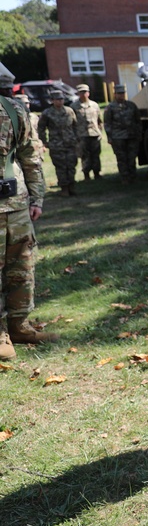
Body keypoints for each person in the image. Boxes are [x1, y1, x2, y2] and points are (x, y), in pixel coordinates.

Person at [0, 75, 48, 360]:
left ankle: (19, 325)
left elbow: (30, 154)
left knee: (22, 266)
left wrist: (37, 197)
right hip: (16, 201)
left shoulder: (16, 111)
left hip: (16, 202)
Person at [37, 93, 79, 197]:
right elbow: (41, 128)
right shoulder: (47, 113)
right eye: (57, 99)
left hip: (70, 143)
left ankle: (72, 186)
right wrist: (44, 141)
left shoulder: (69, 111)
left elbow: (75, 125)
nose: (60, 101)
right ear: (52, 100)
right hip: (56, 144)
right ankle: (64, 187)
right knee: (61, 167)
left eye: (61, 99)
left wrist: (77, 138)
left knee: (71, 165)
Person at [104, 85, 141, 184]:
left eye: (123, 93)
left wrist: (138, 134)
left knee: (132, 157)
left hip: (132, 136)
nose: (121, 95)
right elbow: (107, 123)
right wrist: (110, 137)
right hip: (118, 137)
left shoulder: (131, 105)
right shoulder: (110, 107)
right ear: (115, 94)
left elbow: (138, 120)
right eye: (119, 93)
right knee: (122, 158)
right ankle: (125, 177)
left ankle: (133, 176)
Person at [72, 83, 102, 181]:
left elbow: (99, 120)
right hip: (82, 135)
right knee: (84, 156)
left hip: (94, 134)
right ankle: (86, 175)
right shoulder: (74, 106)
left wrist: (100, 131)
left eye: (85, 92)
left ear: (88, 93)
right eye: (81, 92)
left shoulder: (94, 105)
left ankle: (97, 173)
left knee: (96, 155)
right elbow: (72, 122)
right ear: (78, 93)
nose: (83, 94)